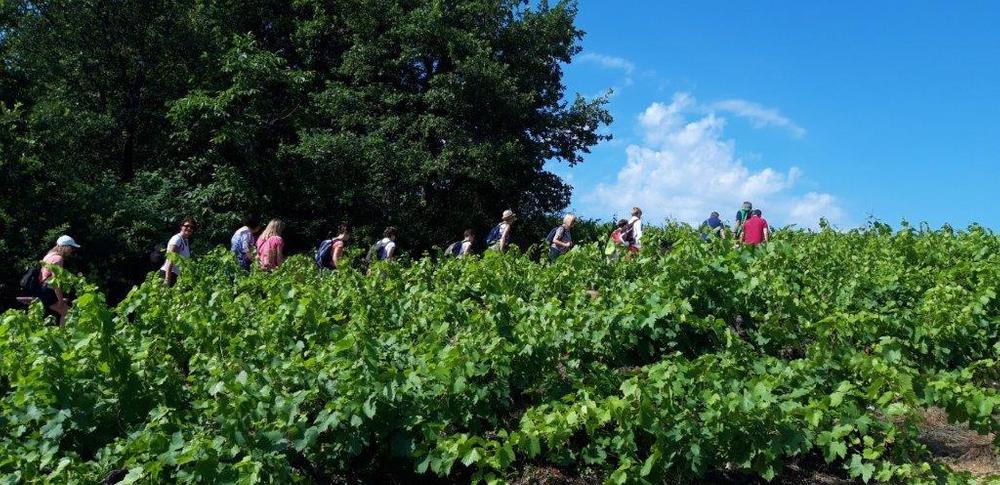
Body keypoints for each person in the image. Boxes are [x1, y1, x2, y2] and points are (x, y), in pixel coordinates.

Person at [34, 235, 80, 325]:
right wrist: (60, 301)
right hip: (48, 291)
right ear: (65, 247)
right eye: (71, 248)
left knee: (66, 312)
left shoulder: (49, 255)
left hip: (43, 290)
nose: (72, 251)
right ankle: (63, 337)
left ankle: (61, 335)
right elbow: (56, 283)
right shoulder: (58, 259)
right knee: (69, 314)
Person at [160, 218, 195, 287]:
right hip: (169, 275)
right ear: (181, 227)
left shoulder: (186, 240)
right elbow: (170, 260)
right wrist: (167, 279)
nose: (189, 228)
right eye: (187, 226)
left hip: (175, 276)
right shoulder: (177, 240)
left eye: (191, 227)